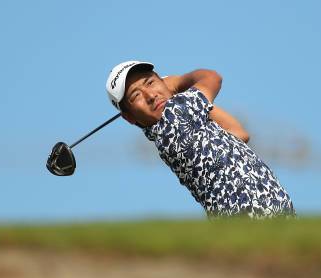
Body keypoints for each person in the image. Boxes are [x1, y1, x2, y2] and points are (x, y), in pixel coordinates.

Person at [105, 61, 295, 218]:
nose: (150, 95)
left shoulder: (175, 127)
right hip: (250, 215)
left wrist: (179, 95)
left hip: (263, 211)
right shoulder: (174, 117)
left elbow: (239, 133)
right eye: (136, 95)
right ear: (129, 117)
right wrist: (177, 82)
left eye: (150, 83)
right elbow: (212, 77)